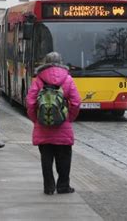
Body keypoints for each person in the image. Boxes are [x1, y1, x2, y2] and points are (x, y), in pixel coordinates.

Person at [26, 52, 81, 195]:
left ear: (45, 62)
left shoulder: (38, 80)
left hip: (42, 127)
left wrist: (36, 119)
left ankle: (49, 187)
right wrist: (69, 118)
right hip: (63, 126)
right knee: (64, 158)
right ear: (61, 62)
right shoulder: (68, 79)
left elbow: (30, 103)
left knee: (46, 159)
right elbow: (76, 102)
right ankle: (63, 186)